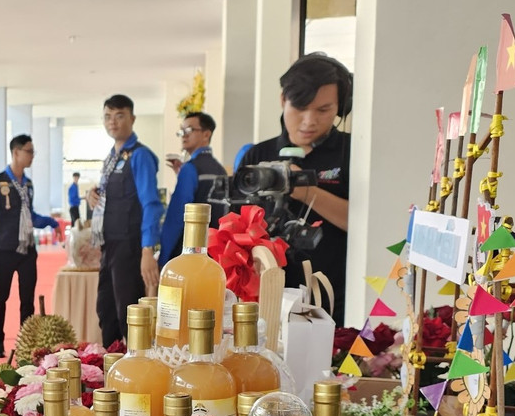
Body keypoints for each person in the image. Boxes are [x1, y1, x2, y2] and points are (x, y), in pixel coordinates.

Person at [236, 52, 353, 325]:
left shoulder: (352, 152)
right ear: (283, 100)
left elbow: (364, 225)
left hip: (333, 295)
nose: (309, 121)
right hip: (267, 296)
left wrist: (304, 190)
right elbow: (236, 227)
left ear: (340, 107)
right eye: (300, 107)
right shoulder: (258, 156)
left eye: (323, 110)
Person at [87, 94, 161, 347]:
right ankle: (112, 365)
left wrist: (147, 250)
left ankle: (135, 366)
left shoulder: (140, 156)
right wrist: (93, 195)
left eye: (119, 116)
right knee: (105, 310)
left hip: (129, 247)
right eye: (108, 116)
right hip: (109, 245)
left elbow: (151, 204)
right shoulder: (112, 157)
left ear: (132, 119)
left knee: (128, 314)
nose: (113, 122)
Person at [0, 134, 60, 358]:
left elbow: (31, 216)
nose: (32, 156)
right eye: (29, 151)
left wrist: (51, 222)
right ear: (16, 153)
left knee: (27, 299)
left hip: (27, 250)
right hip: (4, 249)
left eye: (33, 151)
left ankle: (26, 343)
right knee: (1, 297)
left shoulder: (28, 184)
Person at [160, 111, 226, 264]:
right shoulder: (220, 170)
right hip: (214, 253)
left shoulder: (191, 169)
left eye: (189, 130)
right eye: (181, 131)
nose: (184, 135)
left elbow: (176, 217)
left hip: (189, 253)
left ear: (206, 134)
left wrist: (163, 258)